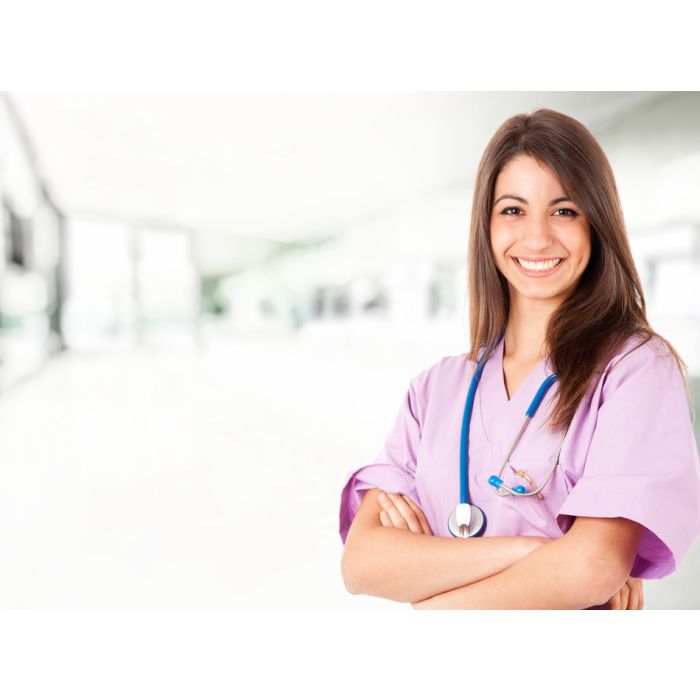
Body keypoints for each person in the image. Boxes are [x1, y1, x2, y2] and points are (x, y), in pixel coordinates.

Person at [338, 108, 700, 610]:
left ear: (597, 224)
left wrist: (431, 605)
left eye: (564, 210)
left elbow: (592, 567)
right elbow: (363, 564)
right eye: (513, 210)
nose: (536, 237)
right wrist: (534, 551)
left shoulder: (634, 369)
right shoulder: (434, 390)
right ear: (485, 226)